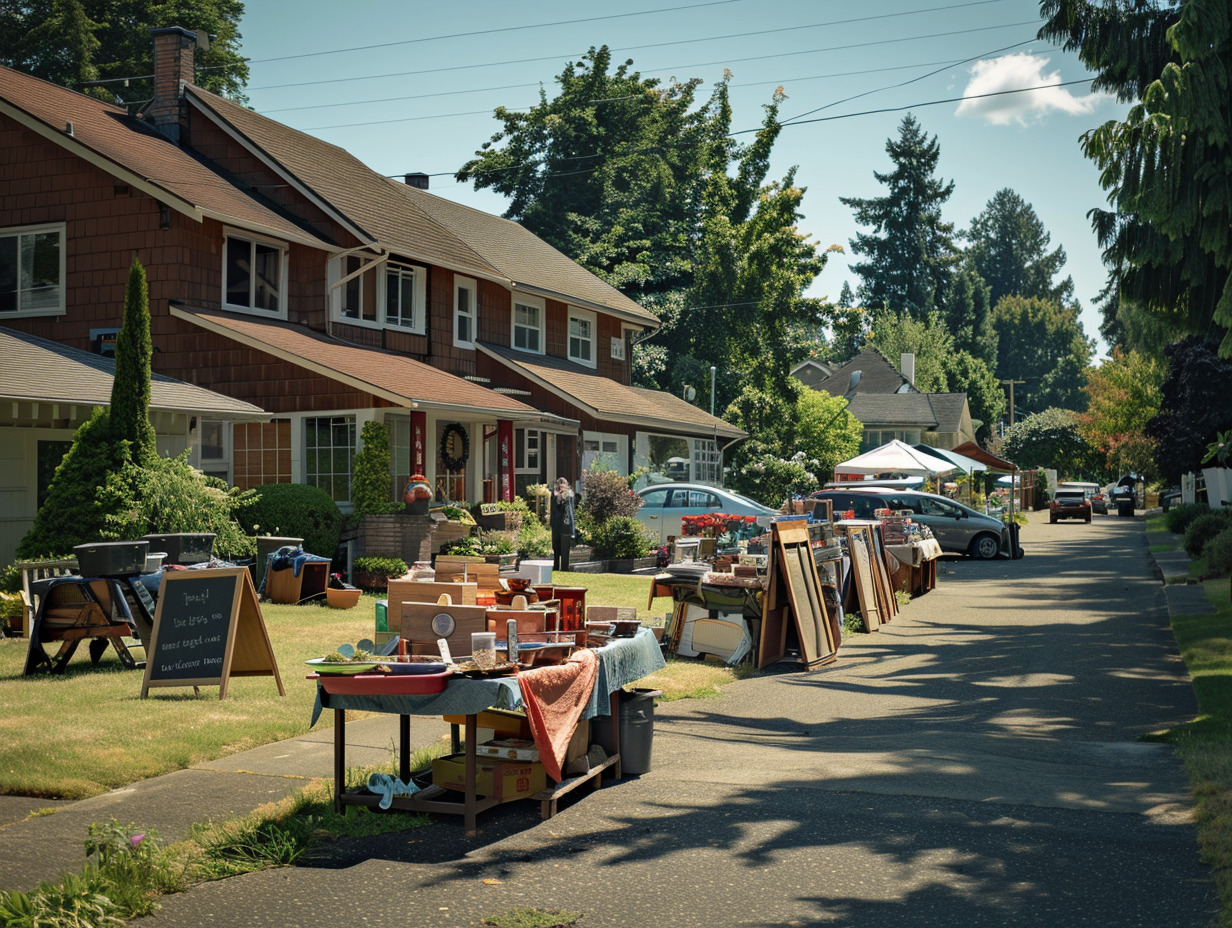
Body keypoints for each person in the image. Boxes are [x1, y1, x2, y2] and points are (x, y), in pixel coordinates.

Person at [550, 477, 575, 572]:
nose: (561, 487)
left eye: (563, 484)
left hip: (565, 525)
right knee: (556, 548)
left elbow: (570, 512)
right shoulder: (554, 497)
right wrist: (557, 499)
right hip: (556, 525)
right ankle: (556, 567)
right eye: (559, 485)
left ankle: (565, 568)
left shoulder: (569, 495)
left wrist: (572, 530)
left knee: (565, 550)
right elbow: (553, 510)